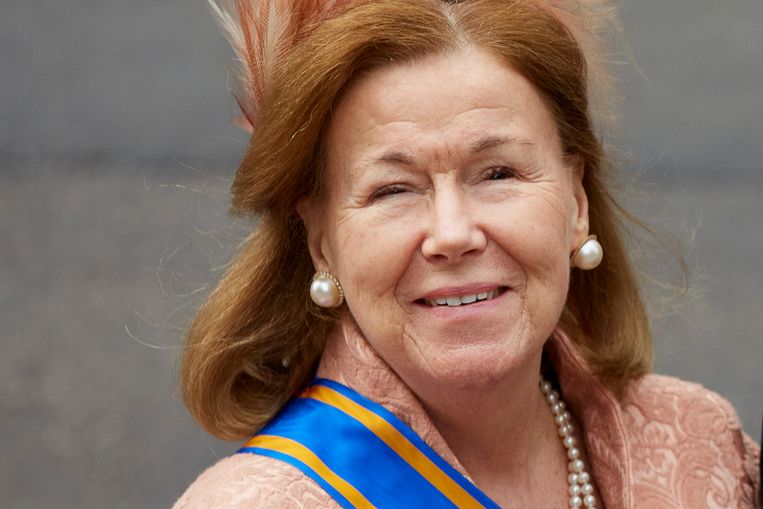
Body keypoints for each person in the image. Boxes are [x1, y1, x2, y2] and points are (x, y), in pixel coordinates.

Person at [174, 0, 760, 507]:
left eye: (498, 173)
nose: (452, 234)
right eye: (393, 189)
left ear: (577, 203)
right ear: (320, 241)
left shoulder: (701, 443)